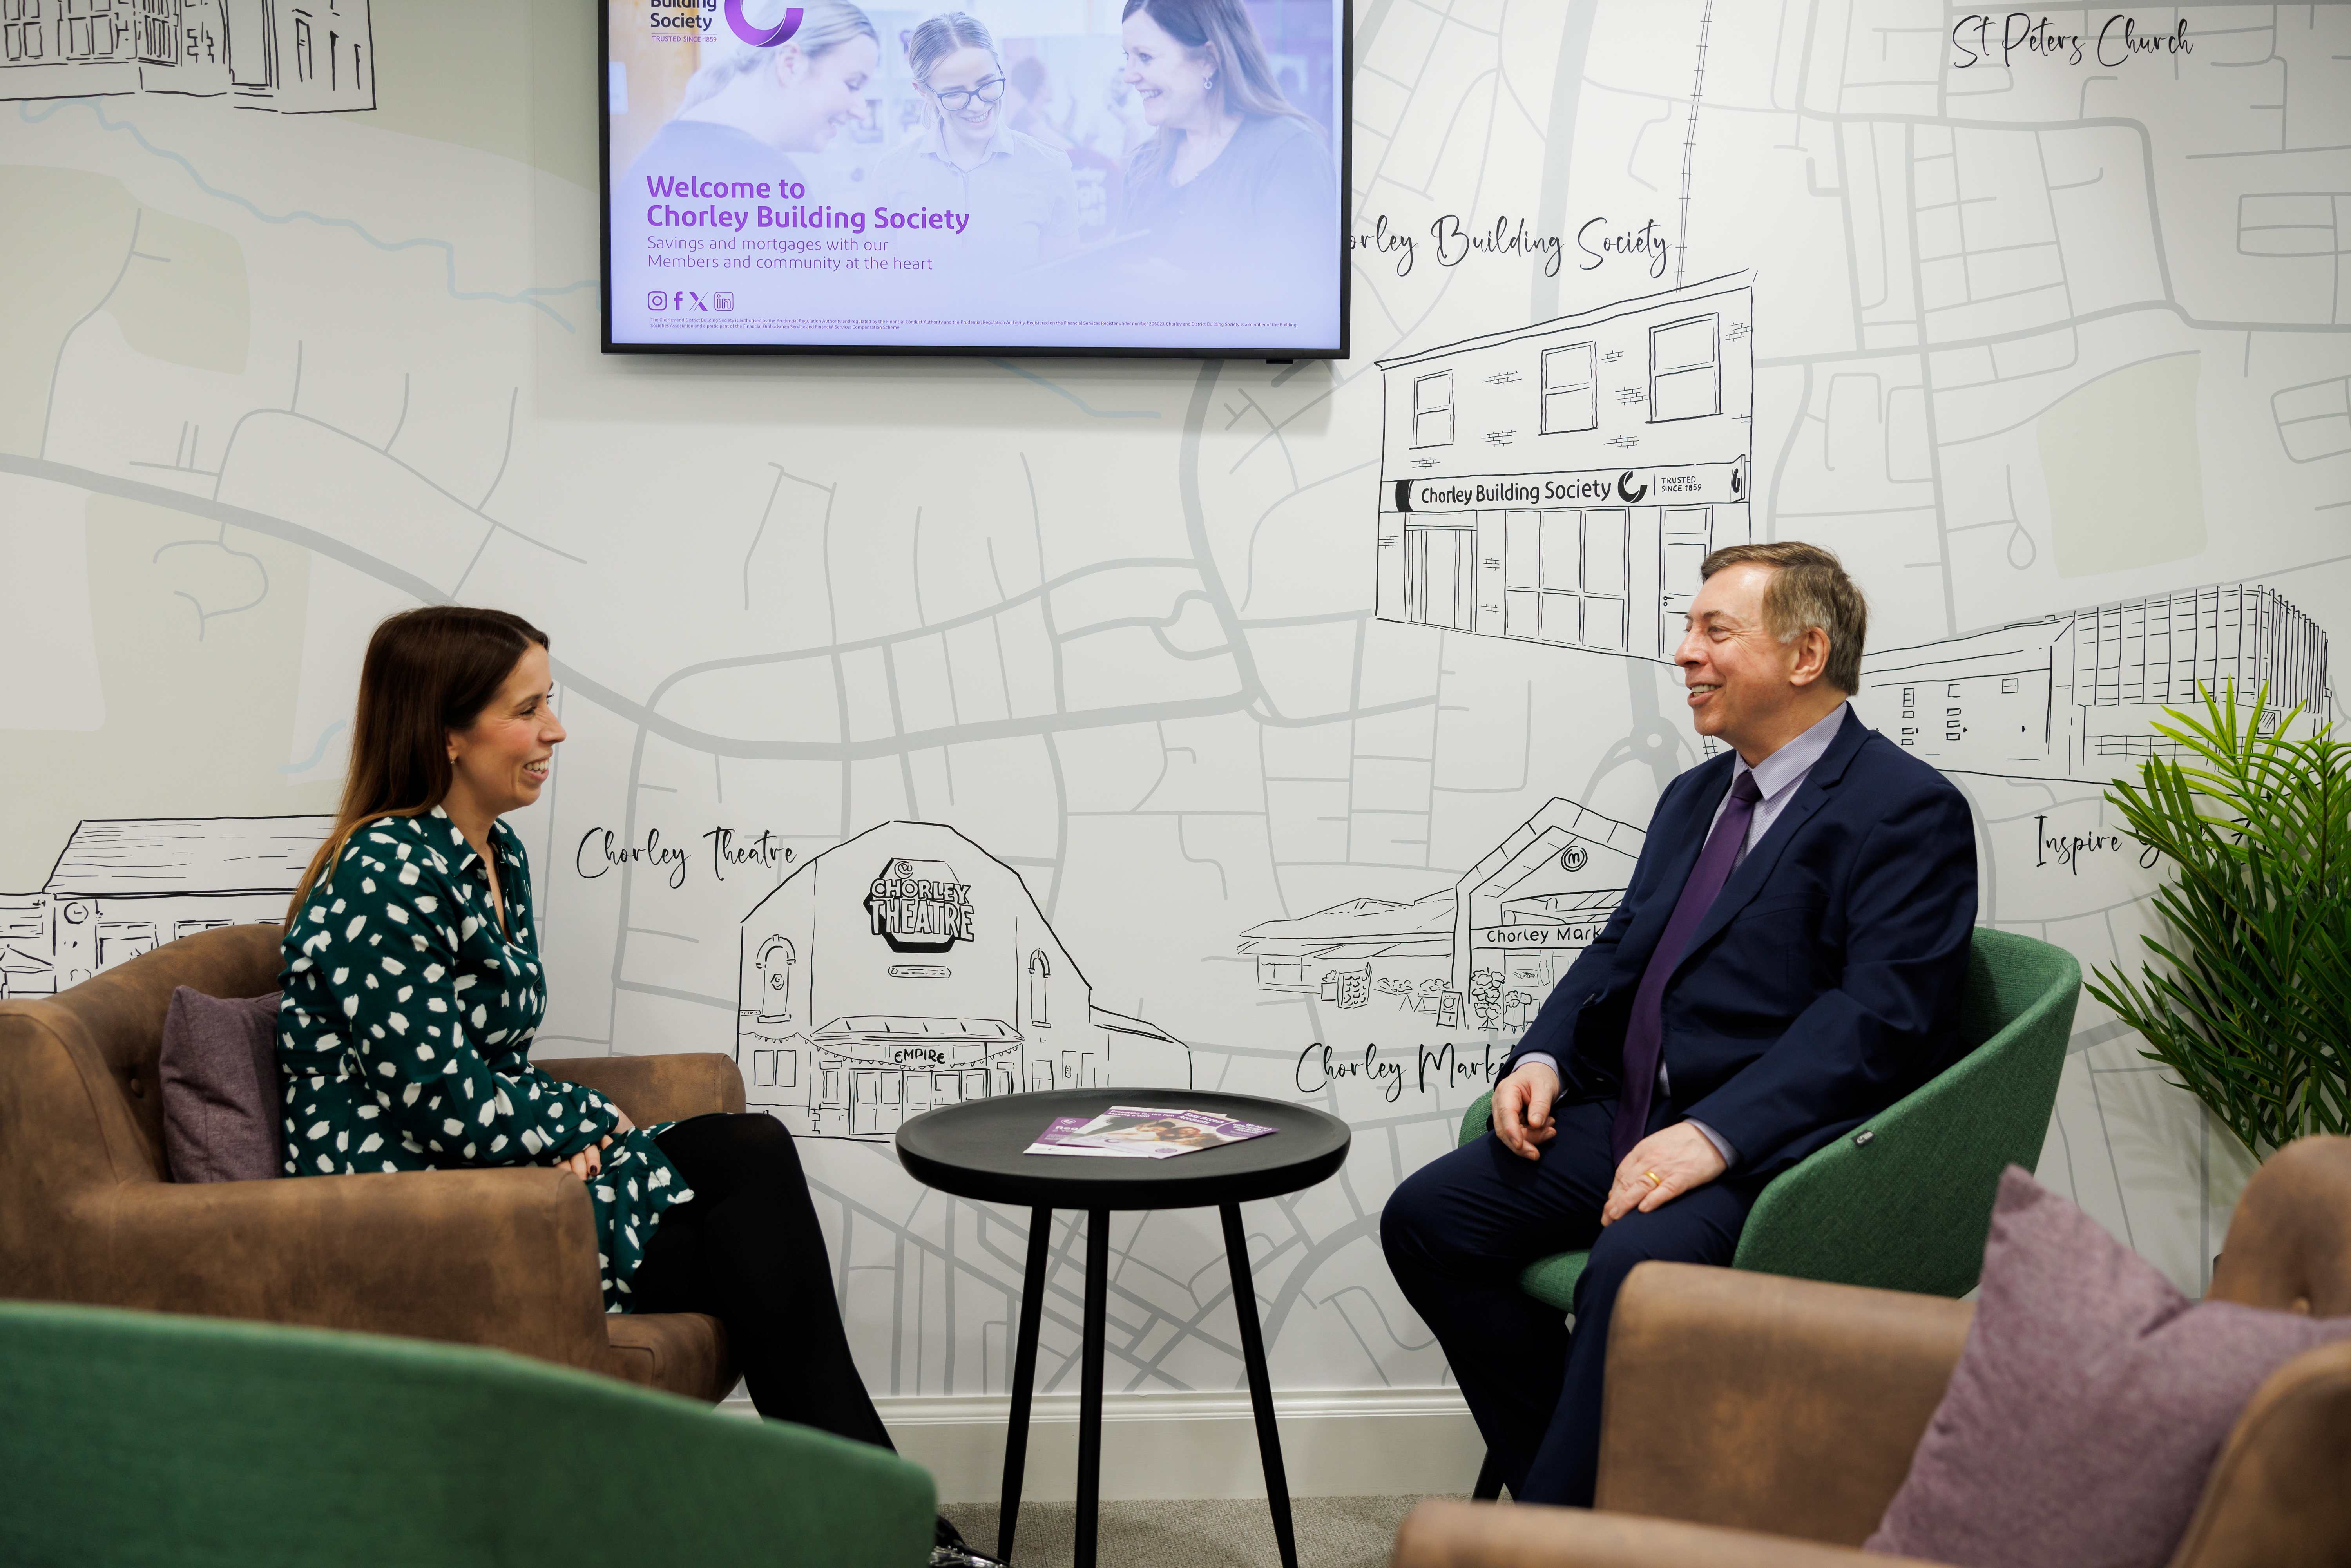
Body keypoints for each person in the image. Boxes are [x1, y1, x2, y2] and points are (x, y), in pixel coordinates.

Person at [275, 606, 1002, 1568]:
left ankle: (880, 1527)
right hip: (417, 1208)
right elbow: (442, 1101)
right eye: (527, 708)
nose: (556, 730)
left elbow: (487, 1078)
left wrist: (563, 1135)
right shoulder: (383, 869)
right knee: (750, 1232)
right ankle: (890, 1532)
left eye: (551, 704)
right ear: (447, 731)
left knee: (751, 1152)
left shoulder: (494, 853)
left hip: (497, 1172)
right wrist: (589, 1125)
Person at [1380, 543, 1980, 1508]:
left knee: (1636, 1264)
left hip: (1772, 1150)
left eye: (1714, 631)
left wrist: (1716, 1133)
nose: (1684, 653)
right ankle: (1582, 1505)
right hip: (1631, 1117)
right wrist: (1538, 1051)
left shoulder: (1905, 809)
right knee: (1430, 1219)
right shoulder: (1696, 795)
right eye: (1687, 628)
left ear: (1805, 653)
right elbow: (1617, 948)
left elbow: (1883, 1020)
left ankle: (1556, 1529)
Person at [1113, 0, 1336, 288]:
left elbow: (1306, 301)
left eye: (1145, 57)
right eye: (1127, 57)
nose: (1129, 76)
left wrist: (1191, 292)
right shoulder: (1143, 164)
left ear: (1209, 60)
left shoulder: (1290, 153)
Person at [870, 13, 1080, 272]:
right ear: (923, 91)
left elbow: (1064, 289)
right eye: (956, 94)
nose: (978, 105)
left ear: (1000, 70)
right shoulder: (892, 173)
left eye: (988, 84)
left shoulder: (1051, 167)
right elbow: (882, 289)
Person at [624, 0, 880, 194]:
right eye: (853, 84)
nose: (861, 111)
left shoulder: (664, 154)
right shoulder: (766, 183)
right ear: (790, 64)